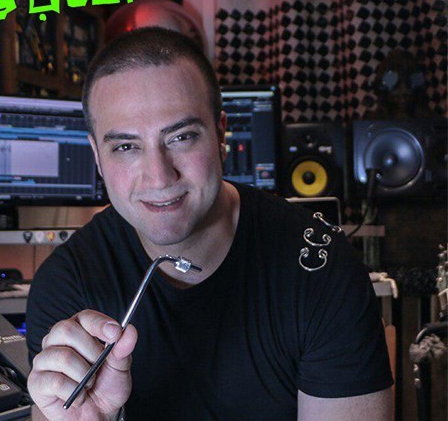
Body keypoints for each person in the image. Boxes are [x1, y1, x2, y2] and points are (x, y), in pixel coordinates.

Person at [25, 27, 393, 420]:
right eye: (126, 146)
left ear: (220, 134)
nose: (159, 177)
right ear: (97, 156)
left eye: (181, 137)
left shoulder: (322, 268)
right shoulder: (67, 284)